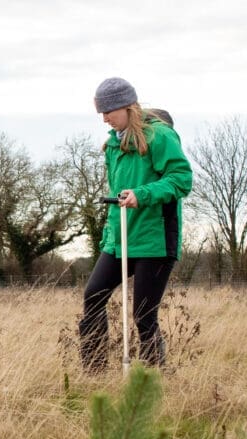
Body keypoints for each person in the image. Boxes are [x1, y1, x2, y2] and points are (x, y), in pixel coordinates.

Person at [78, 77, 193, 372]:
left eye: (109, 112)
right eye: (101, 113)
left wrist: (142, 195)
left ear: (128, 106)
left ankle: (150, 379)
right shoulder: (113, 147)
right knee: (93, 295)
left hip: (154, 239)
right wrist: (108, 237)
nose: (105, 119)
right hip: (120, 240)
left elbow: (181, 180)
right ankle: (93, 371)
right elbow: (116, 198)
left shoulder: (160, 137)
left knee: (143, 315)